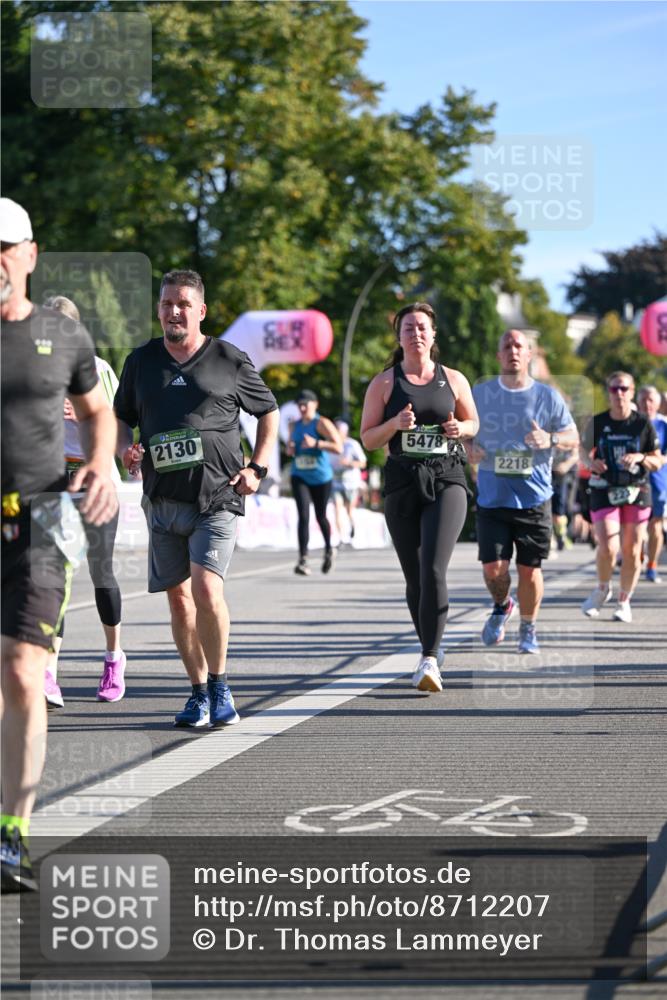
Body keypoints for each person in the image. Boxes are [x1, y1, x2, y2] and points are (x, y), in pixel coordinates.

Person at [1, 198, 118, 891]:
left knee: (23, 670)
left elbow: (99, 412)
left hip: (42, 518)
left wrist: (99, 462)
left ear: (30, 255)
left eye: (4, 248)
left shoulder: (63, 337)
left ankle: (11, 833)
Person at [114, 269, 279, 729]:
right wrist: (124, 450)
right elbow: (121, 418)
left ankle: (221, 685)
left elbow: (268, 412)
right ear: (158, 309)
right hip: (163, 499)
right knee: (179, 601)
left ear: (201, 311)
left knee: (206, 588)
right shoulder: (141, 362)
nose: (174, 311)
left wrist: (257, 468)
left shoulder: (228, 358)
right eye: (167, 303)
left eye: (183, 304)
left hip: (218, 496)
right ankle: (198, 691)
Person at [361, 302, 478, 693]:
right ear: (399, 337)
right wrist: (395, 424)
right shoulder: (384, 383)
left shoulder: (453, 379)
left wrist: (460, 428)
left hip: (447, 477)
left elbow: (474, 422)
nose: (416, 334)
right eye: (408, 328)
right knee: (414, 576)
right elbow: (368, 438)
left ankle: (428, 657)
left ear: (433, 334)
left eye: (422, 327)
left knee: (433, 568)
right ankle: (432, 641)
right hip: (402, 480)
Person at [469, 329, 579, 654]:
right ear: (499, 355)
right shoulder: (481, 393)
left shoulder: (548, 397)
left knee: (530, 571)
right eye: (507, 346)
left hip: (534, 498)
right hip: (492, 497)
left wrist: (550, 439)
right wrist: (468, 447)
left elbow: (572, 436)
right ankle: (503, 604)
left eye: (519, 346)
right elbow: (463, 430)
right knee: (493, 569)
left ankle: (528, 627)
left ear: (529, 354)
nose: (513, 350)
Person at [41, 296, 126, 708]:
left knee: (101, 572)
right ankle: (49, 672)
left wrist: (85, 415)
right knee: (54, 576)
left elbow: (116, 421)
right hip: (54, 483)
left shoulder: (98, 369)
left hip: (96, 482)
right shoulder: (36, 368)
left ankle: (113, 658)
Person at [580, 372, 661, 622]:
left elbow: (657, 460)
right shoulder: (598, 422)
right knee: (608, 545)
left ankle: (624, 601)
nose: (619, 394)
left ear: (632, 391)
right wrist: (590, 463)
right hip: (604, 487)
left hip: (637, 489)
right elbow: (582, 451)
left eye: (624, 389)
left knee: (633, 548)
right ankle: (603, 588)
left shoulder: (642, 424)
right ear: (608, 392)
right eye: (614, 389)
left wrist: (641, 457)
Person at [287, 389, 342, 575]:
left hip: (321, 477)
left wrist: (317, 444)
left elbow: (338, 447)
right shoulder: (293, 425)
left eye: (305, 404)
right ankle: (303, 560)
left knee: (320, 515)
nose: (302, 408)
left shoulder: (322, 423)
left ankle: (329, 549)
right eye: (299, 405)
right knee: (303, 516)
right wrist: (290, 448)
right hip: (299, 475)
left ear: (315, 404)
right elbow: (290, 447)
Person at [637, 385, 667, 582]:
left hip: (658, 480)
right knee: (635, 525)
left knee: (655, 525)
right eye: (643, 400)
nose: (647, 404)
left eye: (651, 400)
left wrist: (655, 459)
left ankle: (652, 566)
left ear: (658, 403)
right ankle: (636, 557)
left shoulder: (663, 426)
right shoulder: (630, 423)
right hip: (634, 481)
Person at [329, 418, 367, 542]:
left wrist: (349, 463)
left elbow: (363, 463)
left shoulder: (352, 444)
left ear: (345, 432)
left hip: (351, 483)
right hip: (336, 483)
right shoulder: (330, 445)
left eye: (339, 430)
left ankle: (352, 526)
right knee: (337, 508)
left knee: (349, 510)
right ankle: (340, 537)